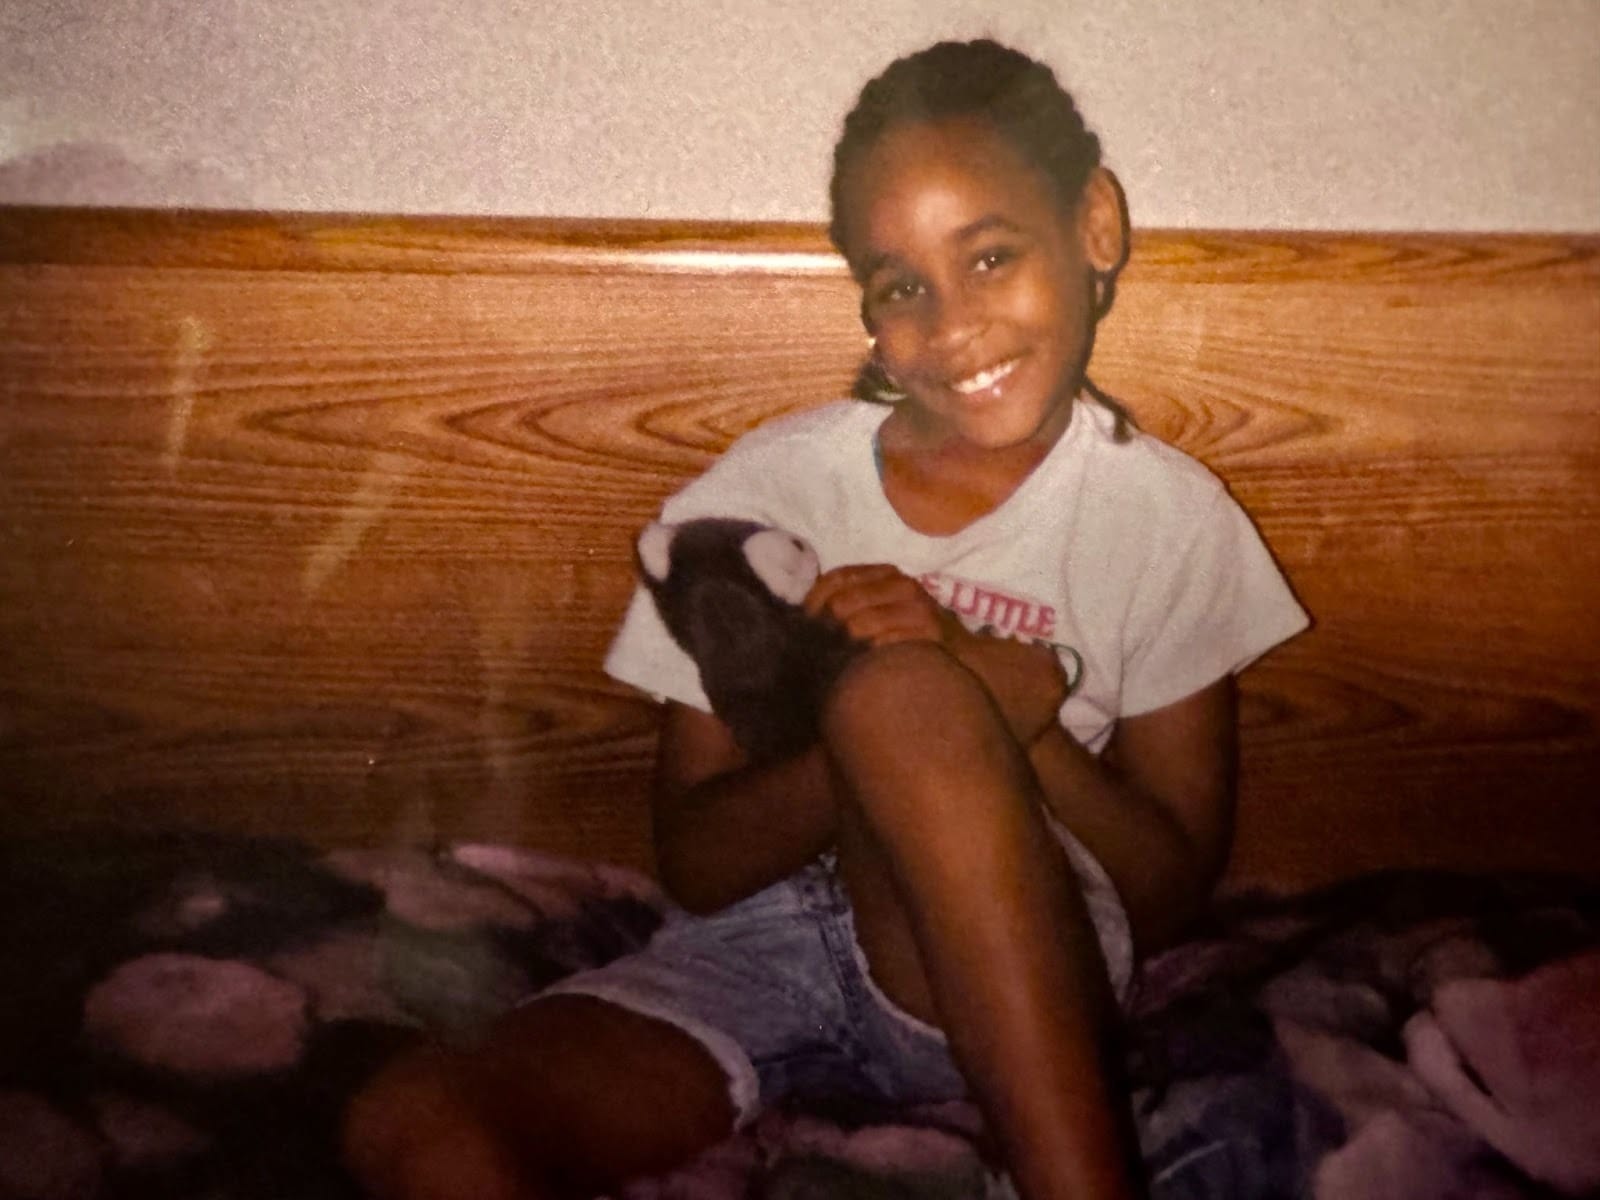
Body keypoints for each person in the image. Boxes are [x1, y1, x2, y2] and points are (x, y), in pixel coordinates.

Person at [342, 38, 1309, 1200]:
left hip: (1026, 947)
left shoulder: (1168, 520)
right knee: (415, 1120)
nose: (951, 328)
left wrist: (1008, 719)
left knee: (905, 692)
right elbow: (695, 863)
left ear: (1094, 226)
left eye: (991, 256)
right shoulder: (765, 497)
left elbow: (1163, 894)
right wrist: (861, 734)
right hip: (773, 950)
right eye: (902, 286)